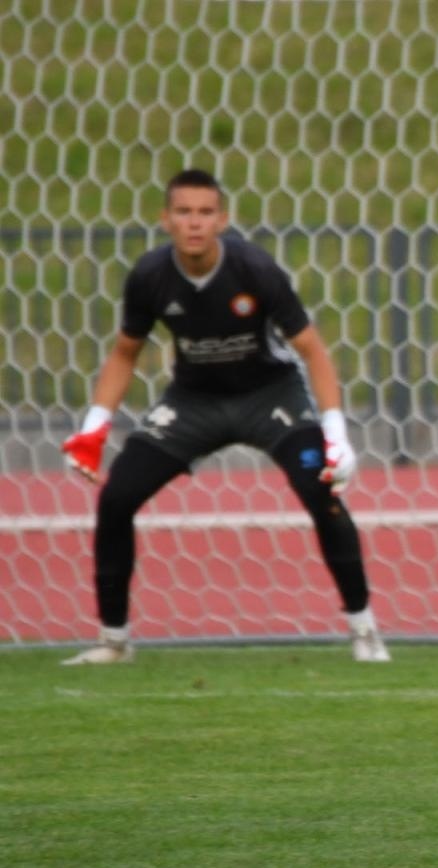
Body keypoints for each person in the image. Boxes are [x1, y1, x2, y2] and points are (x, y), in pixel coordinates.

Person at [60, 168, 390, 664]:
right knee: (117, 498)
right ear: (165, 218)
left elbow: (312, 350)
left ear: (223, 219)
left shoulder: (254, 269)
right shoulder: (150, 276)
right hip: (194, 402)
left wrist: (336, 434)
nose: (195, 223)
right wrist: (93, 428)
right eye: (184, 212)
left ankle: (364, 630)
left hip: (270, 396)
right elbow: (125, 352)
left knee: (321, 492)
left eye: (205, 212)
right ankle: (114, 642)